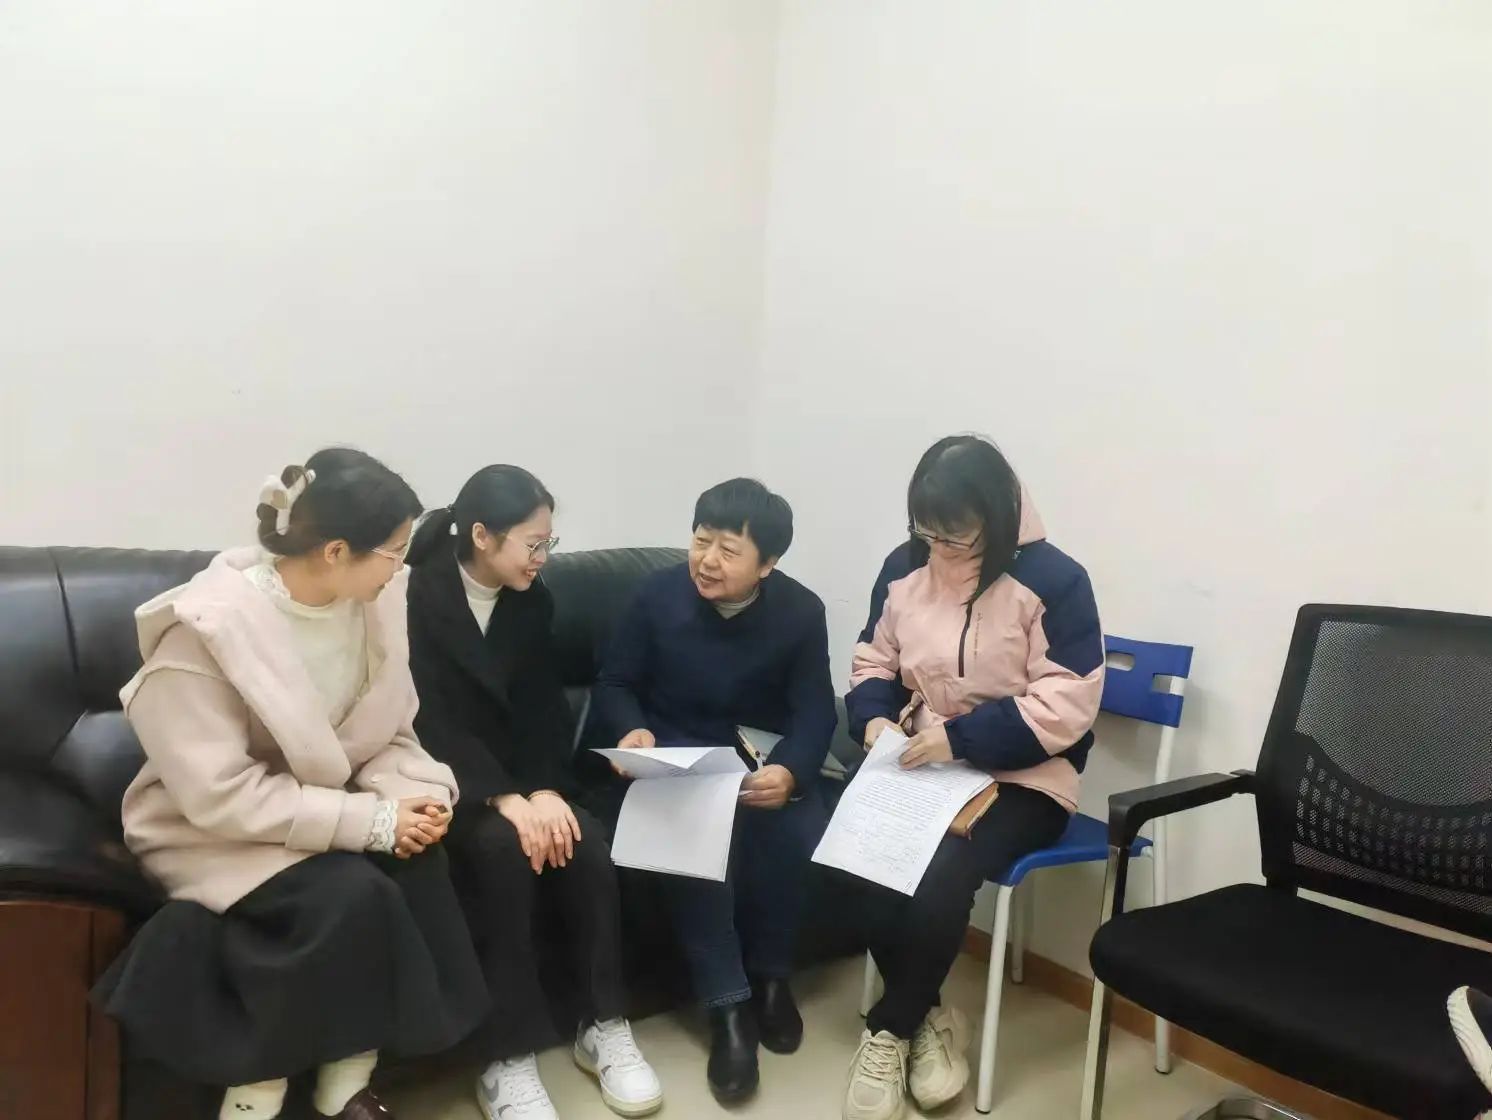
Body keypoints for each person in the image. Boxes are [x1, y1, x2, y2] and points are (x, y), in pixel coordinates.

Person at [92, 448, 489, 1120]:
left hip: (317, 808)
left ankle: (347, 1079)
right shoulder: (206, 629)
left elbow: (389, 731)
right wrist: (370, 822)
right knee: (352, 894)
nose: (403, 567)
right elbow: (218, 793)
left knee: (421, 862)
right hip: (211, 829)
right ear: (336, 552)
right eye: (394, 551)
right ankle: (256, 1090)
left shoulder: (375, 606)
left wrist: (410, 798)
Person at [840, 435, 1103, 1120]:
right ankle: (929, 1017)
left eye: (956, 536)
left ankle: (889, 1029)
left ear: (996, 516)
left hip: (1026, 777)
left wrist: (959, 738)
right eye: (928, 533)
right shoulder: (904, 566)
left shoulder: (1055, 580)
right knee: (854, 847)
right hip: (922, 761)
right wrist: (874, 720)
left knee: (941, 868)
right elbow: (874, 661)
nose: (940, 550)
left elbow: (1068, 700)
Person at [405, 465, 662, 1120]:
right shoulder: (413, 594)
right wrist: (501, 798)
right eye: (533, 543)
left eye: (549, 543)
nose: (543, 557)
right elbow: (426, 718)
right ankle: (505, 1055)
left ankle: (603, 1024)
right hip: (447, 782)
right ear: (482, 536)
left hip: (523, 776)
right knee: (500, 853)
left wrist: (545, 791)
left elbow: (543, 710)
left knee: (584, 841)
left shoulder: (531, 600)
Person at [591, 478, 837, 1103]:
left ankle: (772, 980)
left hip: (755, 765)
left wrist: (792, 771)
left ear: (767, 564)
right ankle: (728, 1010)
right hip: (677, 766)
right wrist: (631, 729)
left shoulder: (800, 612)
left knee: (799, 829)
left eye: (728, 551)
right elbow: (615, 683)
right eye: (701, 541)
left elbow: (815, 710)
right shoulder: (655, 596)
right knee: (697, 847)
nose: (706, 560)